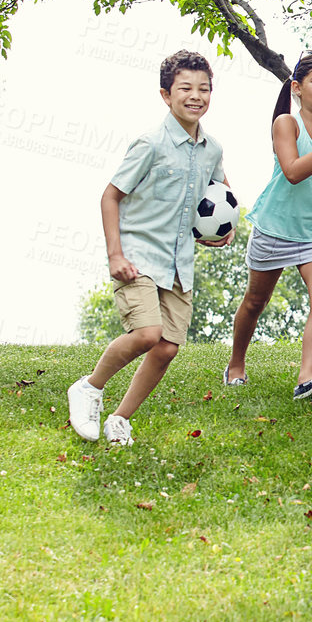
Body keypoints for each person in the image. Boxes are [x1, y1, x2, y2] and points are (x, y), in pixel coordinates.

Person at [67, 50, 230, 447]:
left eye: (204, 89)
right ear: (165, 94)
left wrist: (219, 229)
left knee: (167, 347)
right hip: (138, 256)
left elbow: (220, 197)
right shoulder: (150, 143)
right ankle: (89, 387)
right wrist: (115, 256)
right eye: (186, 88)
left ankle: (120, 418)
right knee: (146, 333)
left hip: (179, 263)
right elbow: (110, 196)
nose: (196, 96)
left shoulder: (213, 150)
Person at [224, 51, 312, 400]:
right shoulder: (286, 124)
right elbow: (292, 172)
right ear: (297, 88)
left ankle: (306, 379)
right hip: (274, 226)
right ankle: (236, 364)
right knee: (255, 301)